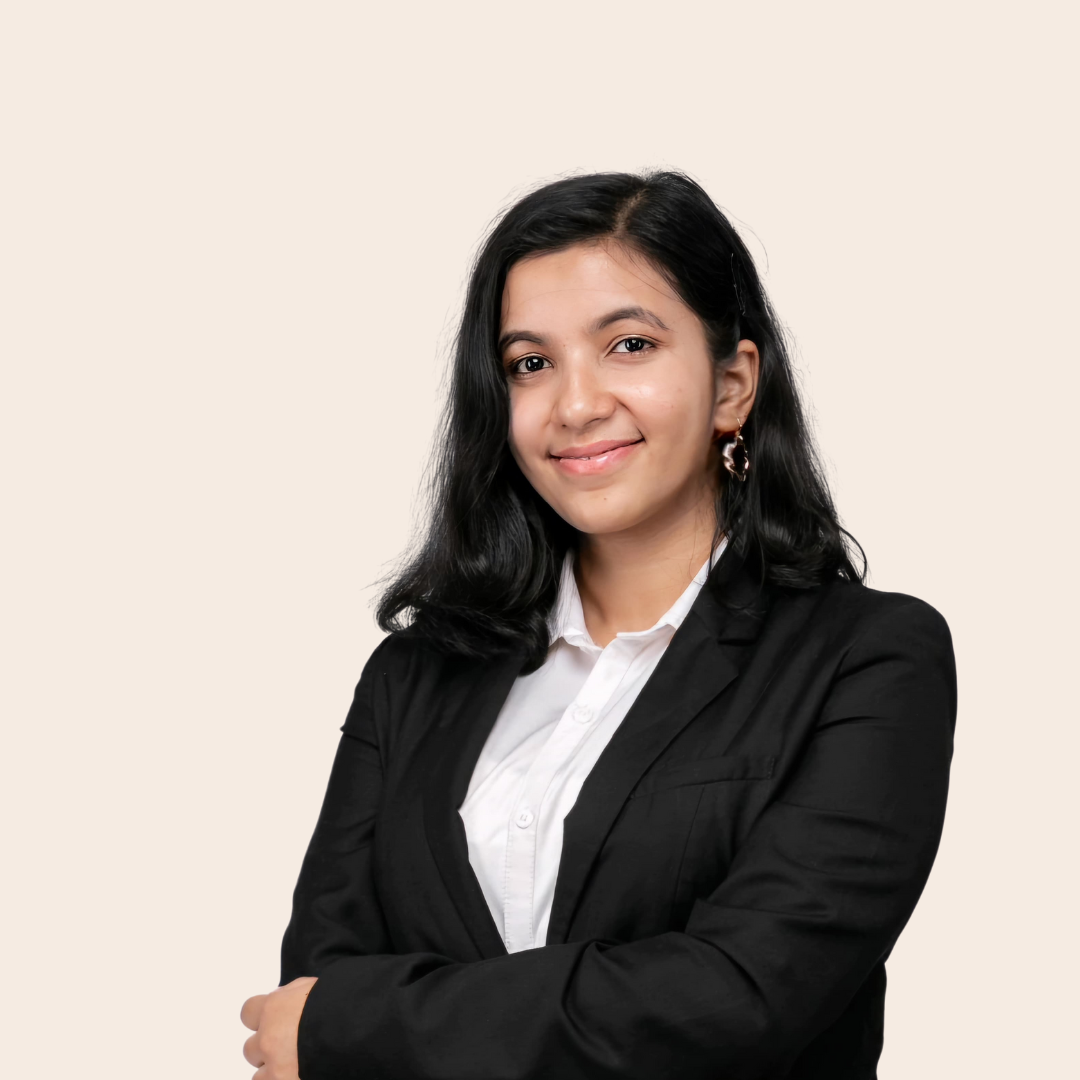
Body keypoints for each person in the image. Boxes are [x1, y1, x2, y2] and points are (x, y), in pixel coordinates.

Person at [240, 171, 956, 1080]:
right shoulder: (413, 674)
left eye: (629, 345)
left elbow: (741, 1000)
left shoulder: (867, 658)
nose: (574, 405)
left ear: (733, 385)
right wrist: (345, 1023)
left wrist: (364, 1028)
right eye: (530, 364)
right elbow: (317, 983)